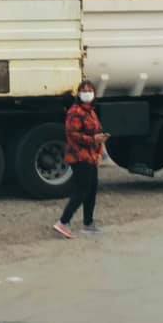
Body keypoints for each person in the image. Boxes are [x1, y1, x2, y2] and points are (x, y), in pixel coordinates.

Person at [53, 80, 108, 239]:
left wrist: (99, 152)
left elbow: (98, 132)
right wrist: (93, 140)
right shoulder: (75, 112)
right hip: (79, 157)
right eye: (84, 90)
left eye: (90, 90)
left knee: (91, 190)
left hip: (91, 157)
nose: (87, 93)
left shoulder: (91, 111)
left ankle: (88, 223)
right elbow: (73, 135)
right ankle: (63, 222)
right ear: (78, 93)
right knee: (82, 190)